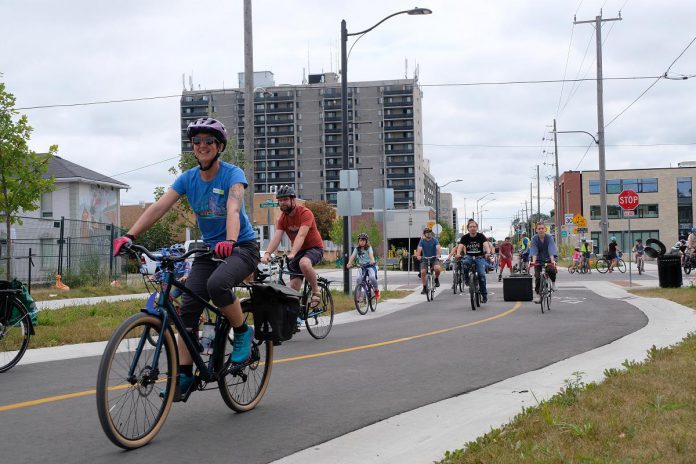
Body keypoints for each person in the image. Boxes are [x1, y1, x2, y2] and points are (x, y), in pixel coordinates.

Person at [112, 117, 259, 401]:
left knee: (218, 286)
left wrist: (229, 241)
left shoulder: (232, 174)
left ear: (219, 147)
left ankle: (242, 332)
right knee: (187, 313)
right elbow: (159, 207)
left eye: (208, 142)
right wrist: (129, 236)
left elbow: (233, 206)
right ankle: (183, 375)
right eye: (197, 142)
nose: (202, 146)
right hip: (208, 250)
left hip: (241, 246)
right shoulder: (188, 178)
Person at [261, 185, 324, 308]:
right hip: (297, 251)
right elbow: (277, 237)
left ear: (293, 200)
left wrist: (293, 253)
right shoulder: (282, 219)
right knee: (293, 289)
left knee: (304, 263)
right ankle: (295, 318)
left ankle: (316, 291)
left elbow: (301, 236)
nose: (282, 202)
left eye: (285, 199)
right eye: (280, 200)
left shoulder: (305, 213)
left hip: (314, 248)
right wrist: (267, 253)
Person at [456, 219, 492, 303]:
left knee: (482, 276)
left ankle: (484, 295)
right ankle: (467, 279)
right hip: (469, 257)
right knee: (464, 263)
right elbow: (460, 246)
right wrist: (458, 254)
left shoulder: (481, 236)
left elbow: (486, 245)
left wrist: (488, 253)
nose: (472, 228)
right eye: (471, 227)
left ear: (477, 228)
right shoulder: (465, 237)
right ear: (468, 228)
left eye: (474, 227)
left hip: (479, 257)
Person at [528, 222, 558, 302]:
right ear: (536, 230)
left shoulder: (549, 237)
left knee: (551, 269)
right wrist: (534, 262)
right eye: (539, 229)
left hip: (548, 258)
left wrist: (552, 261)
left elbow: (551, 248)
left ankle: (553, 283)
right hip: (538, 259)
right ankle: (538, 294)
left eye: (542, 228)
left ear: (545, 229)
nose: (541, 230)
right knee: (537, 276)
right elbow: (534, 250)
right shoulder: (534, 238)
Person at [347, 232, 379, 301]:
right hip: (362, 266)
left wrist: (372, 260)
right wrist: (349, 263)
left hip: (370, 266)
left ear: (366, 241)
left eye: (363, 240)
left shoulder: (369, 248)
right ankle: (358, 296)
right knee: (358, 279)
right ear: (358, 241)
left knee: (372, 277)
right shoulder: (356, 249)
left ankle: (376, 290)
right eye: (360, 240)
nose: (362, 242)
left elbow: (371, 255)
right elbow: (352, 256)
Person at [415, 227, 442, 294]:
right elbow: (419, 249)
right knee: (423, 272)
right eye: (427, 232)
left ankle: (436, 279)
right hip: (425, 259)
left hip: (434, 258)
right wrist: (418, 256)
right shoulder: (422, 241)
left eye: (430, 232)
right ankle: (424, 287)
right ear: (424, 234)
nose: (429, 233)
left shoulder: (435, 240)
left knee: (437, 269)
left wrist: (438, 254)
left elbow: (438, 248)